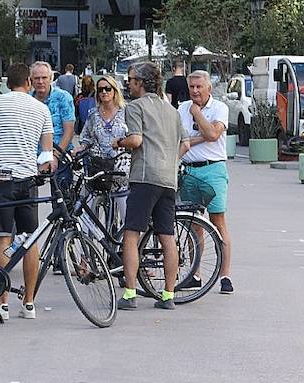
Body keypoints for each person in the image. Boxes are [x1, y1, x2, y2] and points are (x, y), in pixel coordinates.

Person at [0, 62, 54, 321]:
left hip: (3, 177)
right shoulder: (42, 109)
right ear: (29, 83)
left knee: (2, 238)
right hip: (28, 180)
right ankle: (29, 302)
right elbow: (46, 154)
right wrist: (38, 169)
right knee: (30, 240)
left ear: (7, 82)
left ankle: (1, 303)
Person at [114, 61, 188, 312]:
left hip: (145, 177)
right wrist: (170, 161)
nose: (128, 84)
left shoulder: (135, 107)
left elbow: (136, 139)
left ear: (141, 83)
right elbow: (185, 144)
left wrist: (119, 143)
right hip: (169, 178)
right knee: (167, 236)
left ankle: (130, 292)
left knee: (131, 234)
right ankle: (168, 295)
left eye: (131, 79)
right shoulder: (172, 111)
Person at [178, 70, 233, 293]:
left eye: (199, 87)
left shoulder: (219, 108)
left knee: (218, 221)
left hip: (213, 168)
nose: (195, 91)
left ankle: (225, 276)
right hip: (189, 170)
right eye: (192, 87)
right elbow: (178, 138)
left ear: (208, 88)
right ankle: (196, 273)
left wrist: (197, 113)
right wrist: (198, 137)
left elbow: (213, 134)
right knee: (193, 225)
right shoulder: (180, 108)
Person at [77, 74, 130, 227]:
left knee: (125, 213)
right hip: (99, 166)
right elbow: (86, 136)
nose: (104, 92)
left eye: (108, 89)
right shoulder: (93, 114)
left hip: (120, 167)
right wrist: (81, 148)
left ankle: (128, 245)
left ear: (115, 91)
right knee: (88, 206)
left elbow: (135, 136)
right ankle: (89, 244)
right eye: (100, 89)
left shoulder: (126, 112)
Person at [29, 61, 76, 153]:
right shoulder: (27, 99)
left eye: (44, 78)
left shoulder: (63, 97)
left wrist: (56, 156)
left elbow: (69, 131)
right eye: (37, 78)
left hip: (59, 154)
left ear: (51, 79)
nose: (40, 81)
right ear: (31, 80)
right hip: (32, 156)